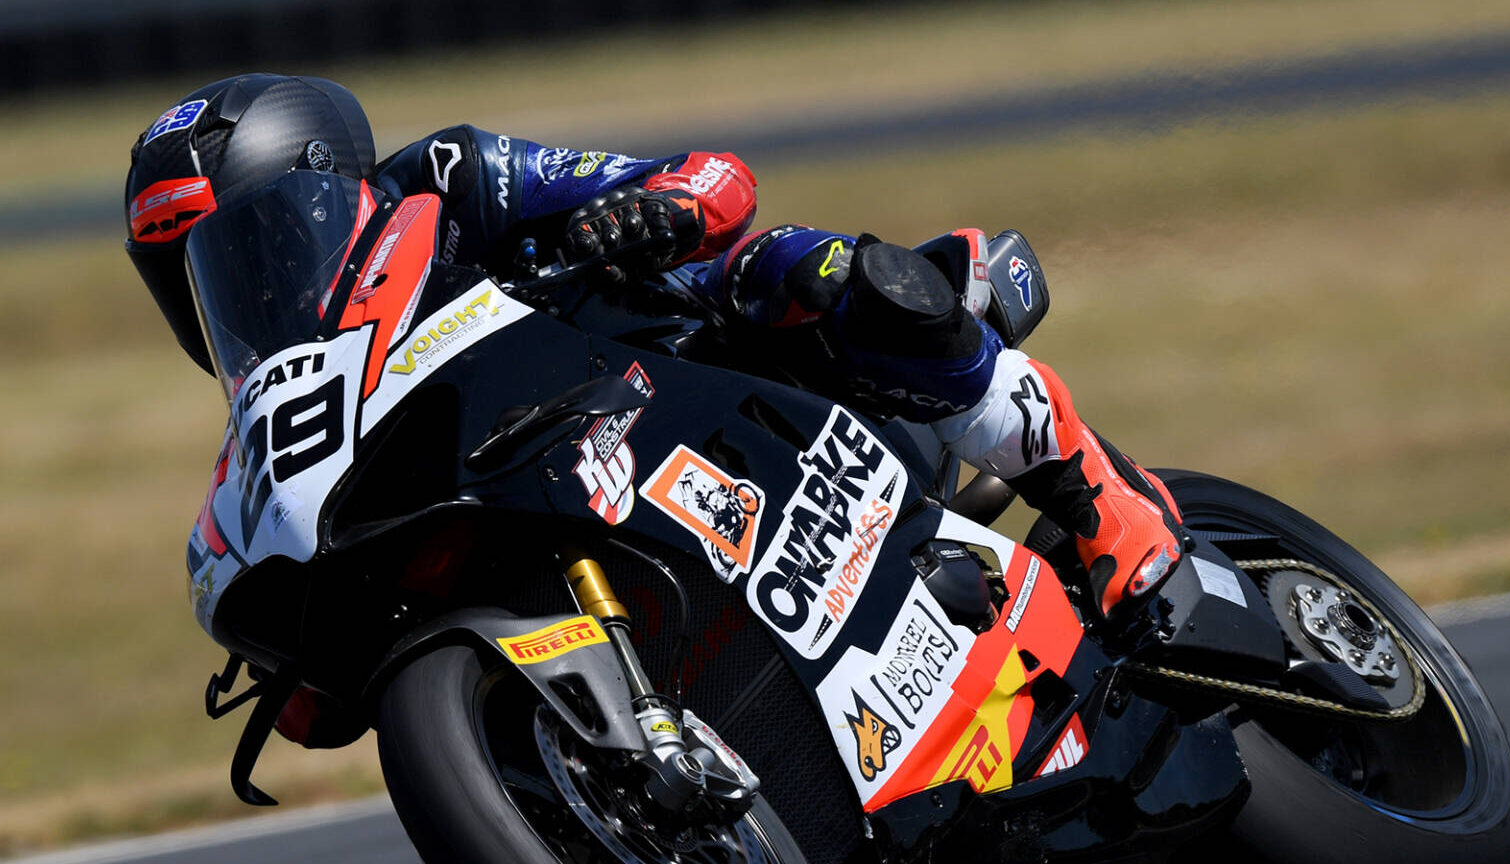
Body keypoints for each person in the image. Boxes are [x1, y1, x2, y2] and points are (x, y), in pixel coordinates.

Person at [125, 74, 1183, 622]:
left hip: (693, 357)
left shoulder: (450, 177)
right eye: (197, 276)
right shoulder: (286, 422)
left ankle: (1096, 493)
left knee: (799, 269)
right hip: (560, 485)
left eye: (253, 244)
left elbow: (716, 178)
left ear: (322, 182)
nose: (240, 284)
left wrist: (656, 209)